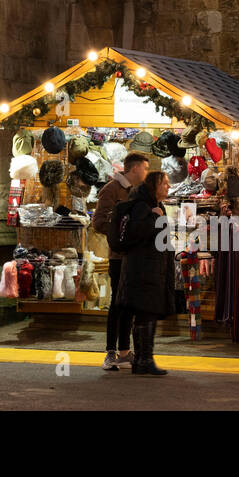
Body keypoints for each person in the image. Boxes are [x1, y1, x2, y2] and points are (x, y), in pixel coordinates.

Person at [112, 169, 174, 375]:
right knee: (146, 313)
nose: (168, 186)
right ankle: (145, 360)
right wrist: (154, 219)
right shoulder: (142, 206)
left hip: (148, 268)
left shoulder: (153, 206)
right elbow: (138, 233)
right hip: (143, 269)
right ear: (154, 185)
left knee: (145, 313)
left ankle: (141, 360)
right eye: (164, 183)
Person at [93, 152, 149, 370]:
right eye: (144, 168)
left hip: (137, 257)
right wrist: (122, 233)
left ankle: (125, 351)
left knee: (129, 304)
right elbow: (98, 222)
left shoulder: (141, 193)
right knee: (118, 303)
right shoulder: (111, 190)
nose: (146, 172)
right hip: (119, 257)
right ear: (134, 169)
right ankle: (110, 352)